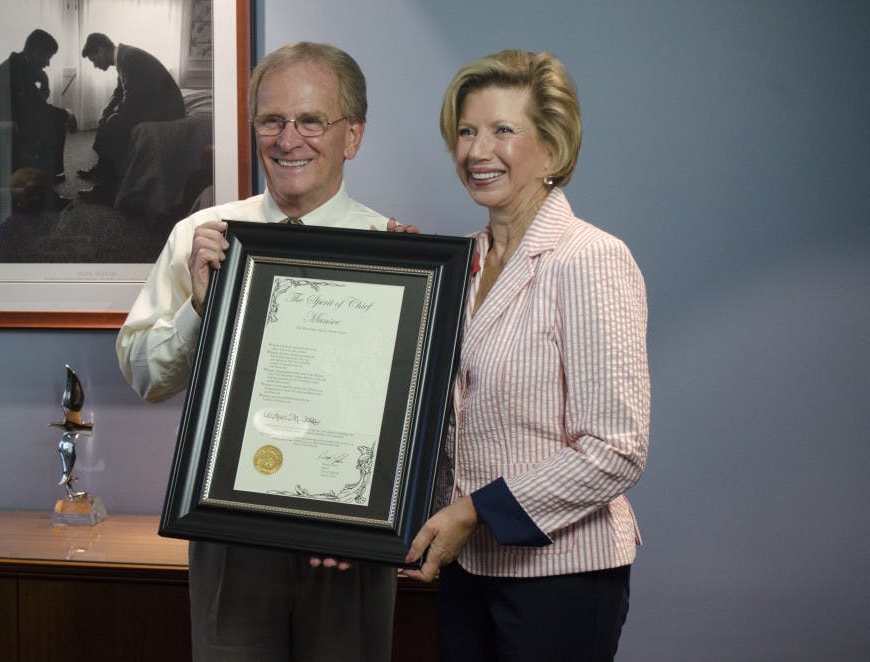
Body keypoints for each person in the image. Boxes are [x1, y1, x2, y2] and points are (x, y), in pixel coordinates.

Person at [116, 42, 402, 662]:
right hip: (230, 531)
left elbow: (419, 413)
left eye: (311, 120)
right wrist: (198, 306)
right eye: (271, 120)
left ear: (350, 136)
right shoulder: (202, 236)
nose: (288, 138)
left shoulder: (396, 252)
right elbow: (142, 375)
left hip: (347, 539)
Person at [404, 50, 650, 661]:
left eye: (502, 130)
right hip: (466, 572)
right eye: (466, 131)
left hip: (562, 578)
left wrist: (475, 511)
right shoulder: (455, 263)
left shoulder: (589, 258)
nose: (477, 150)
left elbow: (615, 449)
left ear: (553, 146)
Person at [79, 33, 185, 204]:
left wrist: (113, 116)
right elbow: (120, 92)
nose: (95, 66)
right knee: (108, 119)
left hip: (168, 108)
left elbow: (132, 99)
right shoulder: (123, 57)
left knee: (114, 124)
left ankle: (105, 191)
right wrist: (106, 112)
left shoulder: (128, 59)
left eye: (94, 61)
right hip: (154, 101)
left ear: (101, 50)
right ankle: (101, 170)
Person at [0, 29, 74, 207]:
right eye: (47, 57)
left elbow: (33, 104)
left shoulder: (19, 64)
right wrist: (67, 113)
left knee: (54, 121)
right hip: (1, 126)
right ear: (33, 51)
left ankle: (50, 178)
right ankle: (43, 194)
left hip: (11, 119)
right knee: (54, 125)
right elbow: (36, 110)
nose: (47, 63)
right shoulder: (16, 72)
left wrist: (43, 83)